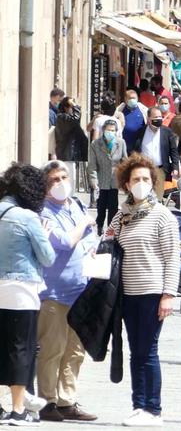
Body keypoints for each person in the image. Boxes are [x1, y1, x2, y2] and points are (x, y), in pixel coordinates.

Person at [107, 154, 180, 427]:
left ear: (153, 182)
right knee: (135, 350)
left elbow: (172, 257)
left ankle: (153, 408)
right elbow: (107, 241)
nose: (141, 183)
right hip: (127, 294)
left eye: (145, 179)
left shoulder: (162, 216)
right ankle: (139, 405)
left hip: (152, 292)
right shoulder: (122, 215)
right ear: (126, 184)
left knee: (148, 350)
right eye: (135, 179)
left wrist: (168, 295)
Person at [37, 162, 97, 422]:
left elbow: (90, 237)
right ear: (45, 186)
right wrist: (84, 224)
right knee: (53, 348)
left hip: (80, 288)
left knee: (75, 349)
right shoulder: (43, 212)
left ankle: (66, 400)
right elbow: (63, 241)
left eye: (64, 177)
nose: (61, 183)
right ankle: (47, 401)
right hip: (54, 292)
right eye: (54, 180)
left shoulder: (76, 205)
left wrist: (91, 240)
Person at [0, 164, 56, 426]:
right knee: (21, 348)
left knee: (2, 346)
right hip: (22, 289)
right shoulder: (27, 218)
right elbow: (48, 257)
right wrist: (43, 234)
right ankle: (18, 408)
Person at [88, 119, 127, 235]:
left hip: (114, 181)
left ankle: (111, 230)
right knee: (101, 207)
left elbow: (125, 161)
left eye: (113, 130)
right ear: (103, 130)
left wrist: (125, 179)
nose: (111, 132)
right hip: (102, 180)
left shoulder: (121, 143)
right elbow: (92, 165)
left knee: (113, 207)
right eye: (108, 130)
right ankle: (100, 226)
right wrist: (94, 181)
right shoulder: (95, 144)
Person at [133, 107, 180, 199]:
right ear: (149, 119)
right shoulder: (141, 132)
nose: (158, 119)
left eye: (160, 117)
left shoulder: (167, 132)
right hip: (144, 169)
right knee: (143, 196)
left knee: (157, 197)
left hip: (160, 169)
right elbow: (135, 150)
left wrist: (175, 167)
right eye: (155, 117)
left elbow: (173, 150)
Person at [55, 96, 89, 188]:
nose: (73, 109)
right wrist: (75, 106)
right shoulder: (62, 117)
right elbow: (75, 119)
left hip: (71, 152)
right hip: (66, 153)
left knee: (71, 177)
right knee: (69, 178)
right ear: (66, 107)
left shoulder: (66, 118)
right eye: (71, 107)